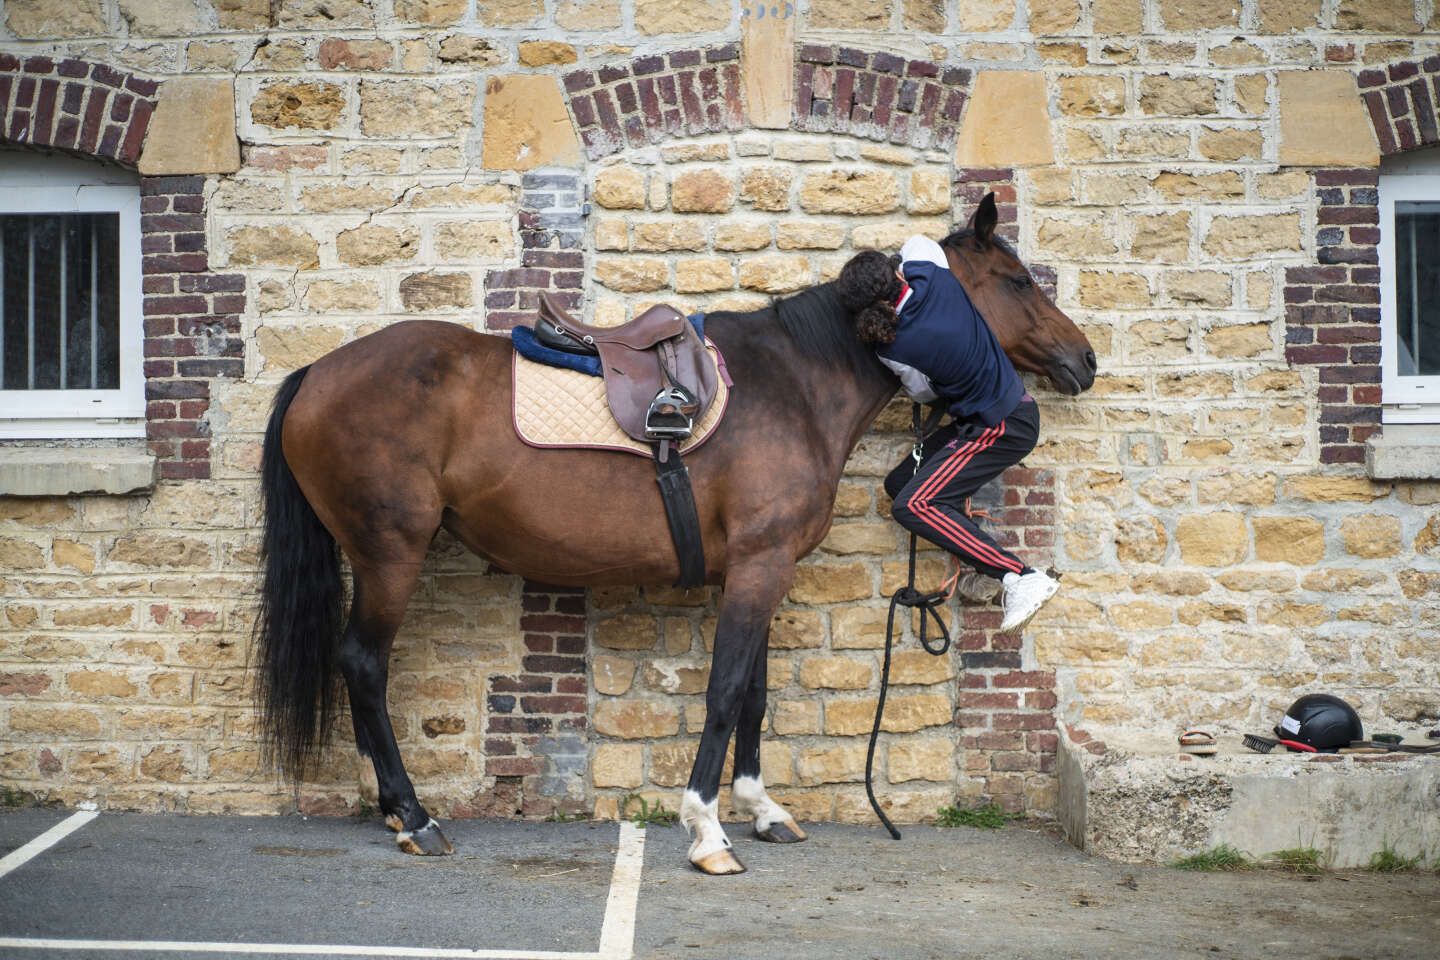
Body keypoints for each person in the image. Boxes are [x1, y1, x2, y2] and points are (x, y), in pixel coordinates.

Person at [838, 237, 1060, 633]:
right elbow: (919, 244)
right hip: (992, 418)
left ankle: (1019, 576)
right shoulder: (930, 273)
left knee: (913, 506)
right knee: (901, 484)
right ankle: (983, 557)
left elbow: (922, 390)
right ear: (894, 274)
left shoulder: (894, 347)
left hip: (1001, 425)